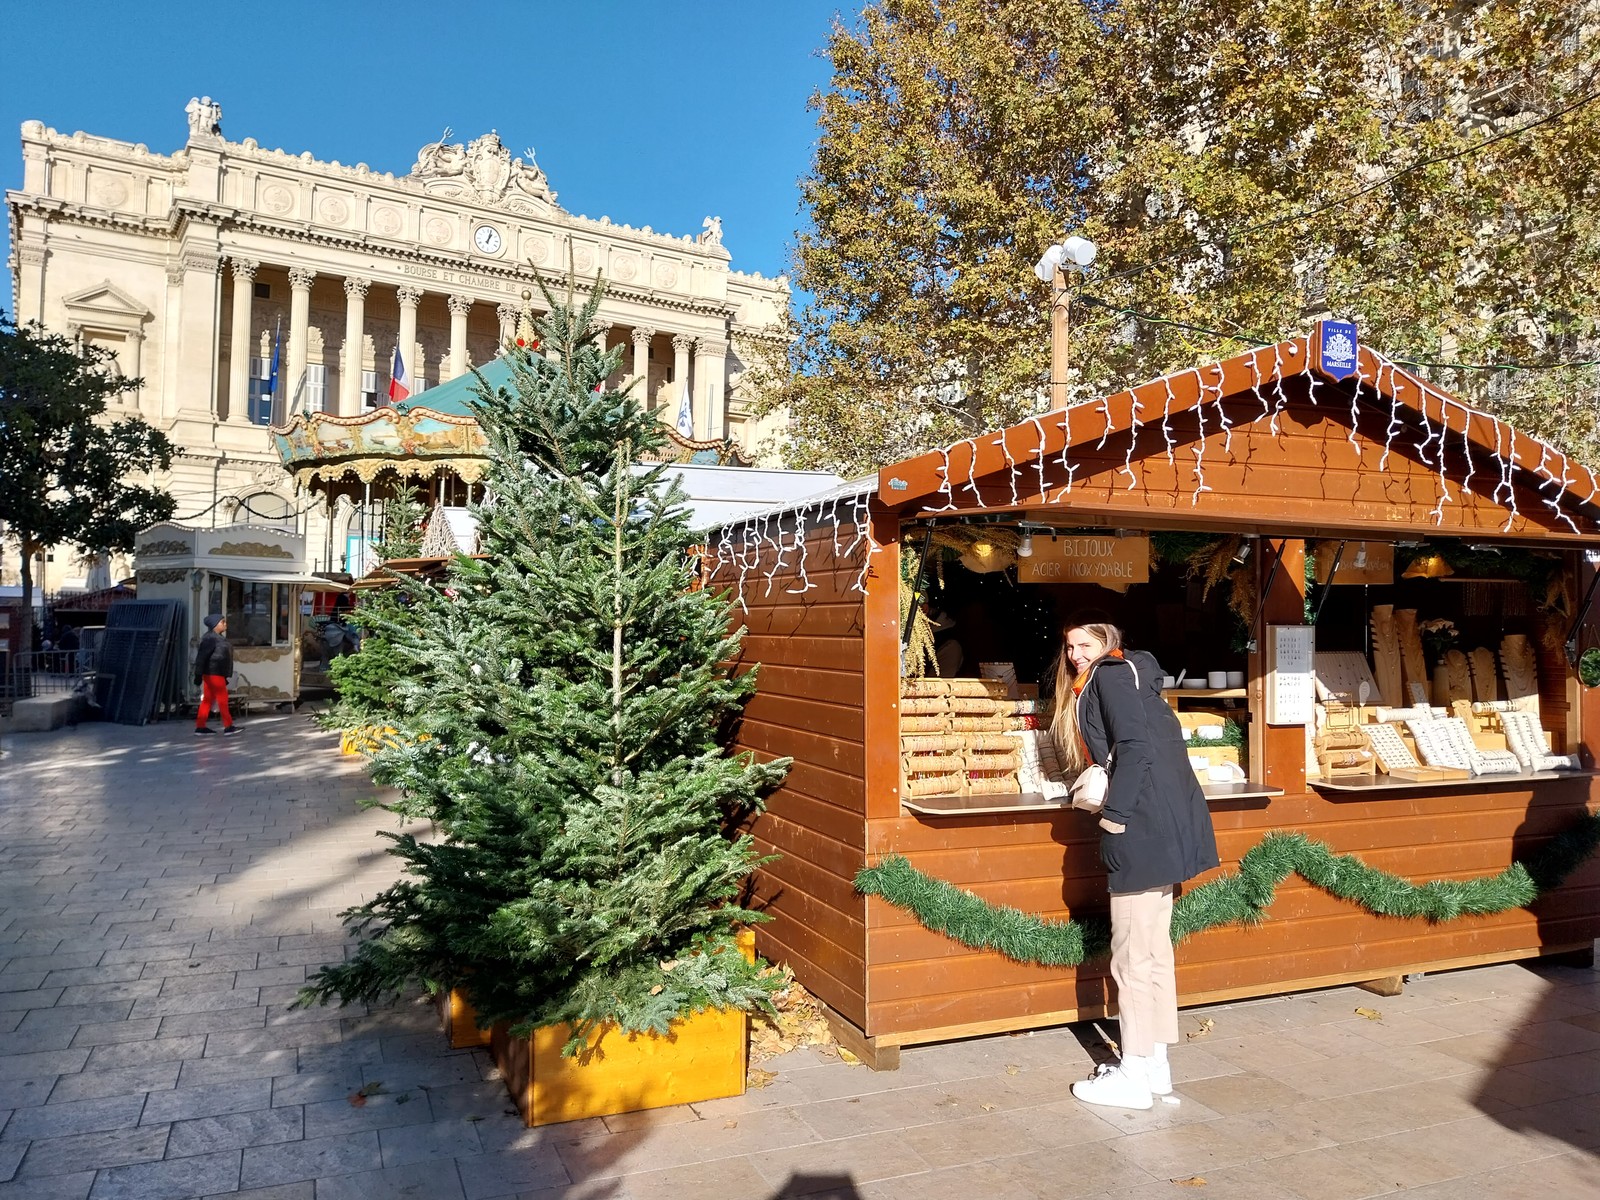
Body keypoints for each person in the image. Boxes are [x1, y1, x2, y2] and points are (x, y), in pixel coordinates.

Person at [1051, 616, 1219, 1110]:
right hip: (1168, 826)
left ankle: (1133, 1075)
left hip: (1140, 826)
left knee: (1130, 958)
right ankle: (1155, 1065)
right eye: (1069, 647)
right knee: (1154, 951)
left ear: (1108, 641)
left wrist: (1115, 817)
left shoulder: (1109, 675)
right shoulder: (1137, 673)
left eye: (1085, 643)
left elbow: (1135, 749)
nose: (1075, 654)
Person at [193, 613, 237, 735]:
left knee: (207, 700)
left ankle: (200, 726)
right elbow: (201, 657)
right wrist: (197, 675)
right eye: (223, 622)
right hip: (214, 673)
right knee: (222, 699)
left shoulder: (215, 637)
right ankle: (228, 726)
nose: (225, 624)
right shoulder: (211, 639)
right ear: (215, 625)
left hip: (215, 673)